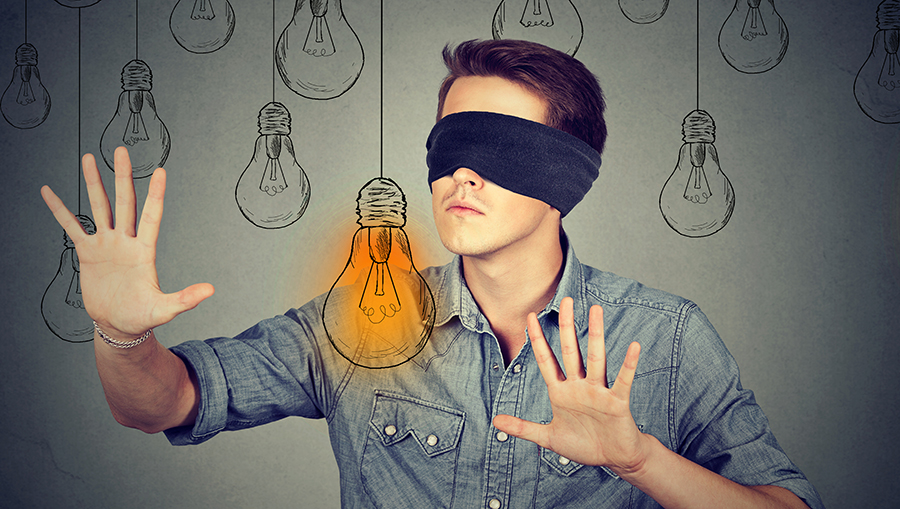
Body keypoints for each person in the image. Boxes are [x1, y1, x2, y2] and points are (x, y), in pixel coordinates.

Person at [41, 39, 823, 508]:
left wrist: (639, 459)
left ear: (567, 174)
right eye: (451, 147)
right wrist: (122, 331)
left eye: (500, 147)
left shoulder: (667, 336)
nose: (462, 177)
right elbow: (166, 402)